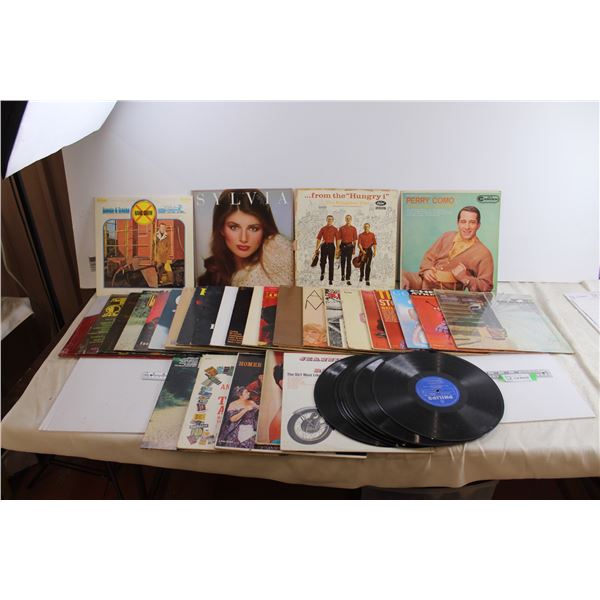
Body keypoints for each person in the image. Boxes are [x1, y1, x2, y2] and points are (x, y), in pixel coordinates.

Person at [198, 189, 293, 286]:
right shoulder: (212, 278)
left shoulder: (276, 249)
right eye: (234, 227)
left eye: (253, 228)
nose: (243, 239)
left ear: (264, 229)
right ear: (221, 229)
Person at [401, 206, 494, 291]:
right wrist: (426, 270)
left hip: (448, 292)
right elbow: (429, 257)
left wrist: (465, 278)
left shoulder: (484, 253)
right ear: (458, 223)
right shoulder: (447, 236)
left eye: (472, 222)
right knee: (400, 276)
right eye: (463, 222)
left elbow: (486, 286)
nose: (467, 227)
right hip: (424, 282)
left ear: (478, 225)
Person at [314, 215, 338, 286]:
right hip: (324, 246)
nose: (329, 220)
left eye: (331, 219)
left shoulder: (335, 229)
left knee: (331, 263)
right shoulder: (323, 229)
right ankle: (322, 273)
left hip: (331, 246)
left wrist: (337, 248)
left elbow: (337, 239)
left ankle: (330, 279)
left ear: (332, 220)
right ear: (326, 220)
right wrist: (317, 248)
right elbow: (319, 238)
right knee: (322, 262)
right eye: (328, 219)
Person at [338, 214, 358, 285]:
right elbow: (339, 239)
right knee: (342, 262)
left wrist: (354, 249)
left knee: (349, 263)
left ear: (351, 219)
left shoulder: (354, 228)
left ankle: (348, 278)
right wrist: (338, 249)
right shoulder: (341, 228)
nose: (348, 219)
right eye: (347, 218)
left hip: (350, 247)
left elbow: (355, 240)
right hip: (343, 246)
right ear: (345, 219)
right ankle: (342, 275)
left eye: (349, 218)